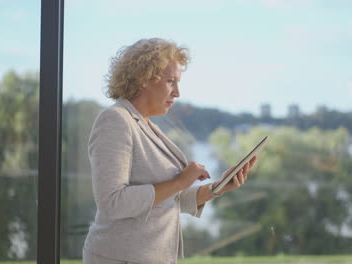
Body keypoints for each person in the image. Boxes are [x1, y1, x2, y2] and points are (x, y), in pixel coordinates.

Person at [83, 38, 256, 264]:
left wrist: (216, 189)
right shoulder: (115, 120)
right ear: (145, 78)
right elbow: (112, 203)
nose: (177, 92)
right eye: (170, 81)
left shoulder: (146, 125)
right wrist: (180, 182)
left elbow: (167, 199)